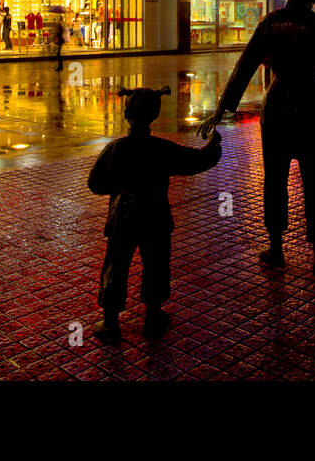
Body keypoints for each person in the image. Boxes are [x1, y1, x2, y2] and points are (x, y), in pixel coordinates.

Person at [198, 0, 315, 287]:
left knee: (275, 180)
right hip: (310, 108)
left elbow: (243, 68)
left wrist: (222, 111)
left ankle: (276, 247)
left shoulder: (271, 24)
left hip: (278, 107)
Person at [88, 86, 222, 344]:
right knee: (156, 264)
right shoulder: (161, 149)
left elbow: (95, 184)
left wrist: (120, 185)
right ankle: (153, 313)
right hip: (156, 215)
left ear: (127, 114)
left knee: (116, 264)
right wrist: (214, 145)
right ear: (155, 114)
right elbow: (197, 161)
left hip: (123, 216)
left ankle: (111, 320)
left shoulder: (117, 149)